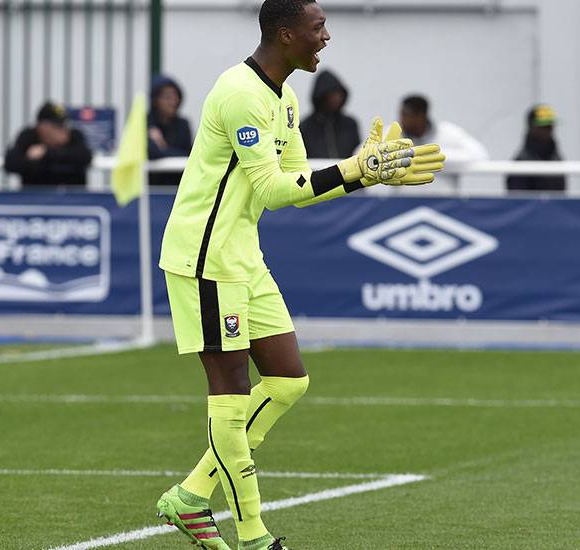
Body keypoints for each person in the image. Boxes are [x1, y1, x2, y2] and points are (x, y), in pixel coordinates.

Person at [154, 1, 446, 549]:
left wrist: (363, 176)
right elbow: (271, 189)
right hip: (205, 260)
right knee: (231, 394)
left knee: (289, 380)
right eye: (318, 28)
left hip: (242, 256)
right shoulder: (241, 94)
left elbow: (294, 186)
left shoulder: (283, 97)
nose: (326, 36)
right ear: (286, 35)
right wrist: (356, 170)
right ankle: (254, 537)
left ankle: (192, 496)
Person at [398, 94, 489, 191]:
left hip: (445, 202)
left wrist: (434, 157)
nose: (402, 119)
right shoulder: (392, 135)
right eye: (402, 114)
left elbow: (481, 155)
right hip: (403, 202)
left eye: (408, 114)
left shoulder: (449, 132)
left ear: (422, 115)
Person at [4, 101, 92, 187]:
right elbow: (10, 163)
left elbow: (85, 157)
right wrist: (31, 161)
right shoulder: (29, 136)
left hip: (73, 198)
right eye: (58, 126)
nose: (63, 129)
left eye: (64, 125)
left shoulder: (74, 135)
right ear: (42, 127)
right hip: (35, 197)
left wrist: (46, 153)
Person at [299, 68, 360, 158]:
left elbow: (358, 155)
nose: (336, 99)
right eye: (332, 95)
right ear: (321, 96)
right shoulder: (305, 128)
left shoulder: (350, 125)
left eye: (338, 94)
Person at [506, 104, 566, 192]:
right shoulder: (521, 162)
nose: (548, 131)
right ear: (531, 128)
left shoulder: (557, 158)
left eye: (550, 126)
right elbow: (518, 201)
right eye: (543, 127)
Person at [148, 74, 193, 186]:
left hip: (178, 188)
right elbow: (151, 153)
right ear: (155, 100)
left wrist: (163, 147)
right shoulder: (146, 122)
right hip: (150, 191)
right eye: (167, 97)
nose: (172, 102)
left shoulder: (183, 125)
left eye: (175, 96)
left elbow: (191, 155)